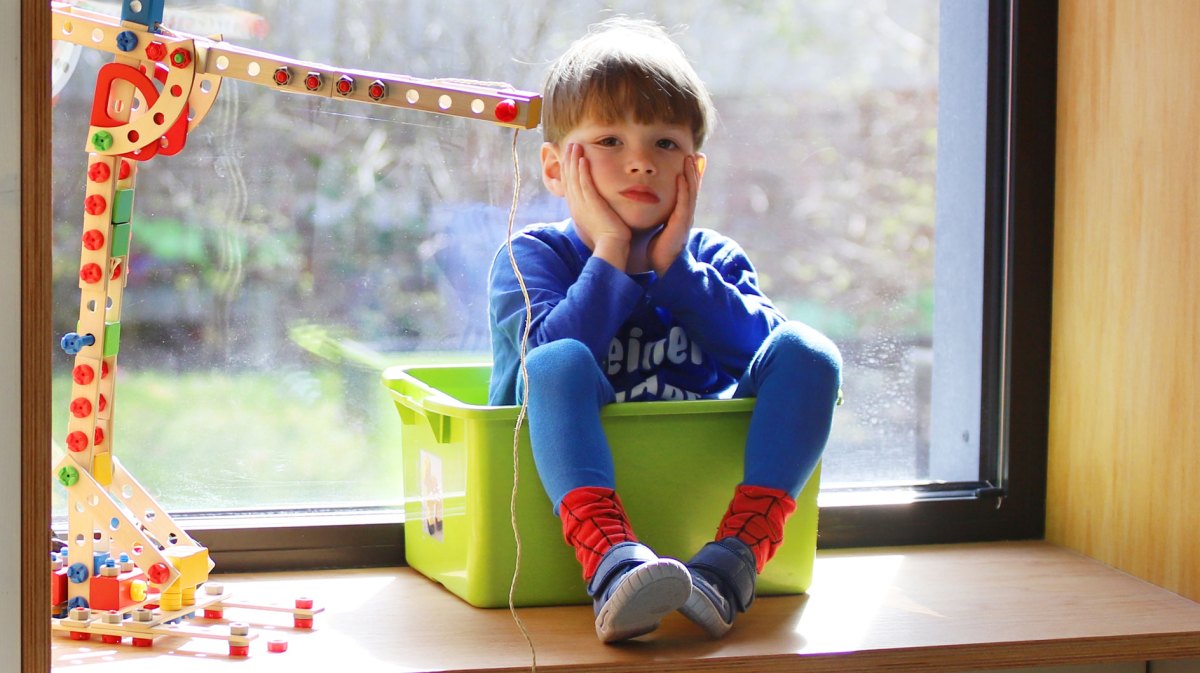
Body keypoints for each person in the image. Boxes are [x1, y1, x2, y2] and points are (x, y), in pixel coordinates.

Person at [487, 17, 842, 644]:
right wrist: (614, 250)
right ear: (554, 167)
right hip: (555, 524)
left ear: (694, 171)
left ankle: (734, 560)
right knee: (560, 359)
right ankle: (610, 564)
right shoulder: (531, 257)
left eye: (665, 144)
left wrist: (675, 272)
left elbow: (777, 365)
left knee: (809, 351)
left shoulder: (714, 263)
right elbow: (541, 370)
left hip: (701, 531)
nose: (641, 163)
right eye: (609, 141)